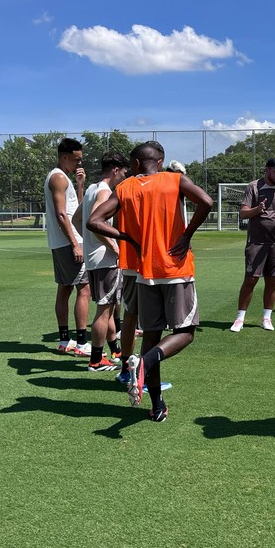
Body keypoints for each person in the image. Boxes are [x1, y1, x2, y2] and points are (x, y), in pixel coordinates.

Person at [87, 141, 213, 423]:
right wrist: (186, 235)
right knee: (186, 331)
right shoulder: (175, 179)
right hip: (175, 268)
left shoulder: (126, 187)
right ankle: (144, 364)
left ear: (134, 165)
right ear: (161, 161)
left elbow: (94, 221)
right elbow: (206, 201)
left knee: (152, 335)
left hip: (144, 272)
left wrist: (127, 238)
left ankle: (157, 405)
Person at [72, 150, 130, 372]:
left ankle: (113, 349)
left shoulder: (91, 189)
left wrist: (90, 243)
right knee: (105, 310)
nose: (123, 178)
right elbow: (95, 222)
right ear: (115, 170)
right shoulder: (105, 191)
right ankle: (96, 360)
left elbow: (78, 220)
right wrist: (113, 245)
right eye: (123, 173)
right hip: (106, 260)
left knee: (108, 306)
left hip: (94, 259)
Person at [230, 158, 275, 332]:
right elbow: (243, 213)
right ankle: (239, 319)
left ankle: (267, 318)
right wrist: (256, 210)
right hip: (256, 242)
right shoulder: (253, 187)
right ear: (267, 170)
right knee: (251, 279)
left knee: (272, 280)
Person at [44, 137, 91, 355]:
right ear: (64, 157)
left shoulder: (63, 178)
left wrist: (80, 186)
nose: (79, 164)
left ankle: (65, 341)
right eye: (76, 159)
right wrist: (75, 244)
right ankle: (82, 343)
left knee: (65, 288)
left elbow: (75, 210)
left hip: (63, 241)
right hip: (69, 241)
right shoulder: (58, 178)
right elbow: (61, 214)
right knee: (85, 288)